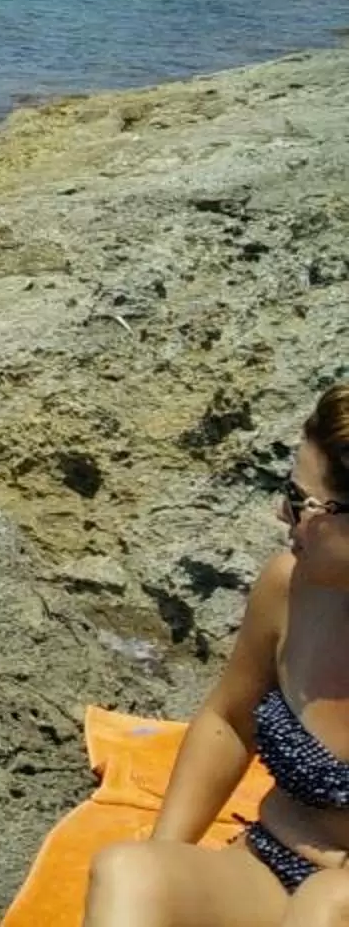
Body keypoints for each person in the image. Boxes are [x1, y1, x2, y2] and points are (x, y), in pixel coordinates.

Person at [85, 386, 349, 922]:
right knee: (134, 872)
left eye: (302, 502)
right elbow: (228, 720)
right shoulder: (290, 589)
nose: (283, 513)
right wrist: (168, 848)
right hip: (270, 865)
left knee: (327, 906)